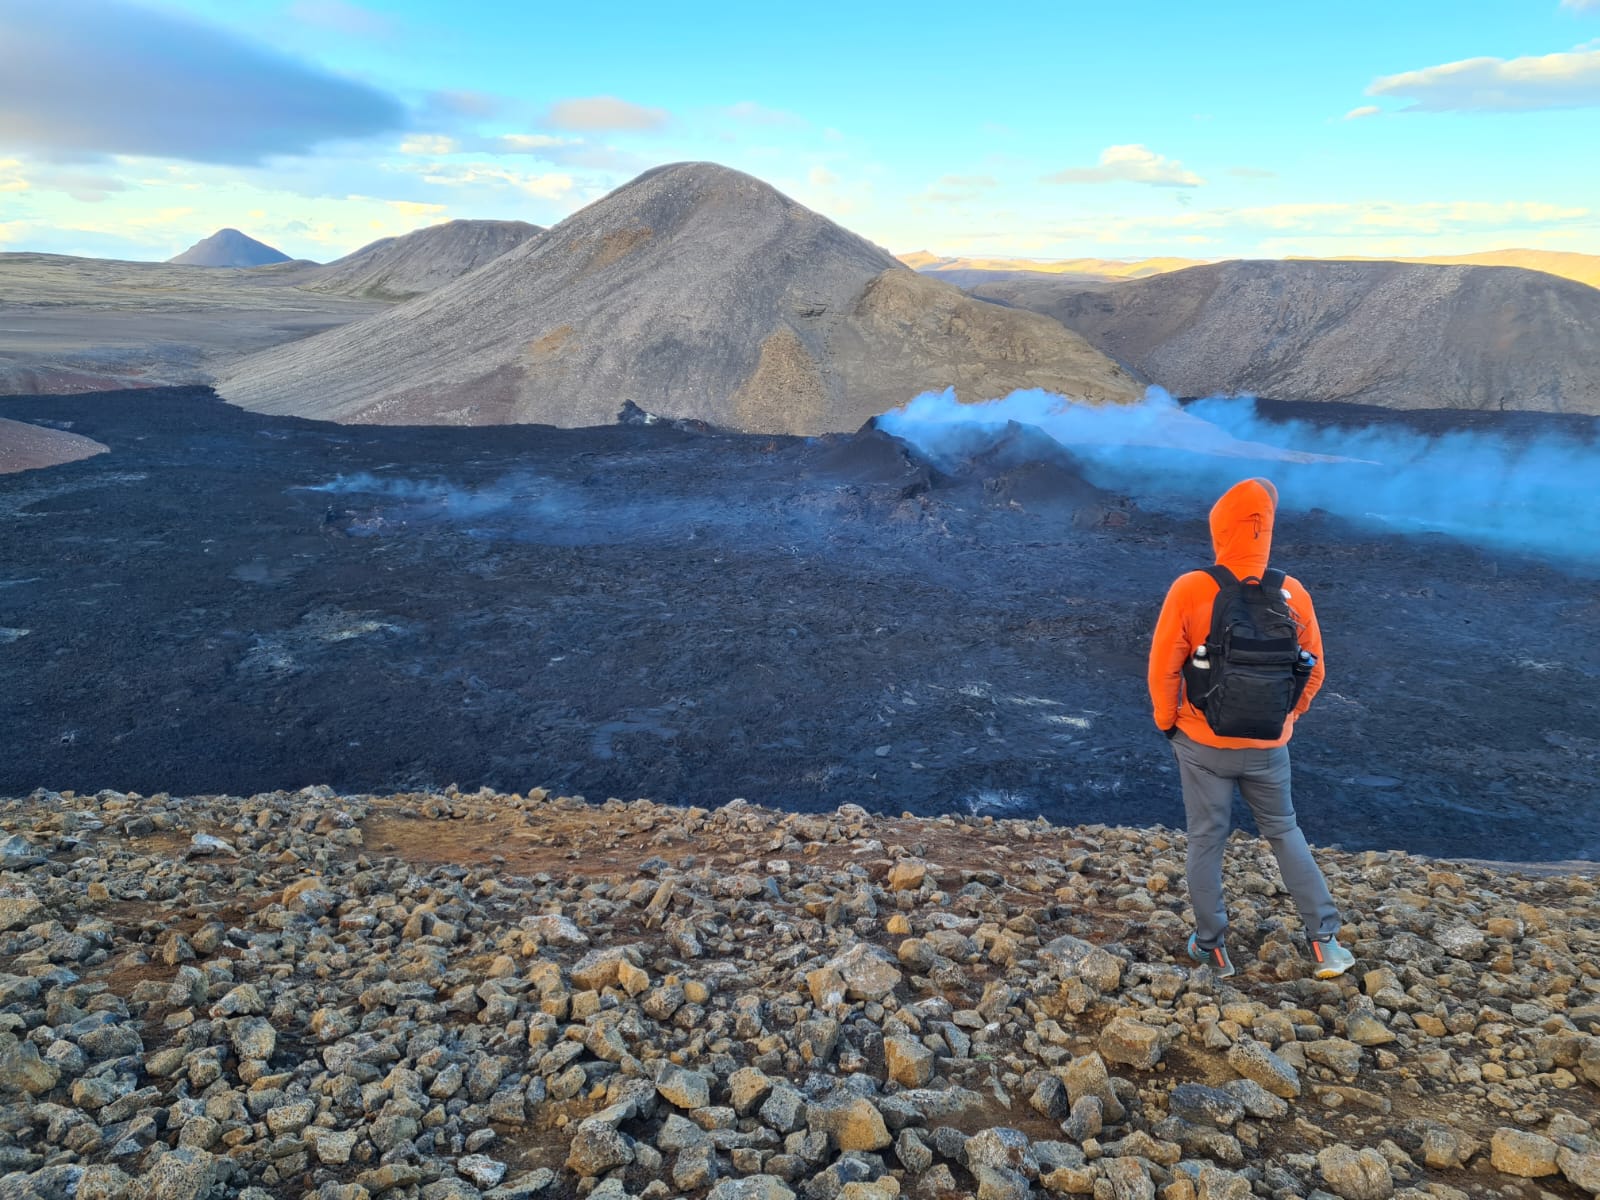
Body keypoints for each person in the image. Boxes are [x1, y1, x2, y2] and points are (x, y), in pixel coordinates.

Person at [1146, 477, 1354, 980]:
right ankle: (1325, 943)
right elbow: (1316, 668)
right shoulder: (1292, 592)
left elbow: (1163, 669)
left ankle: (1213, 949)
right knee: (1284, 831)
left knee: (1206, 838)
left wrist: (1169, 724)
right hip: (1268, 744)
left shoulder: (1193, 587)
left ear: (1221, 529)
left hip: (1201, 742)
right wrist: (1286, 719)